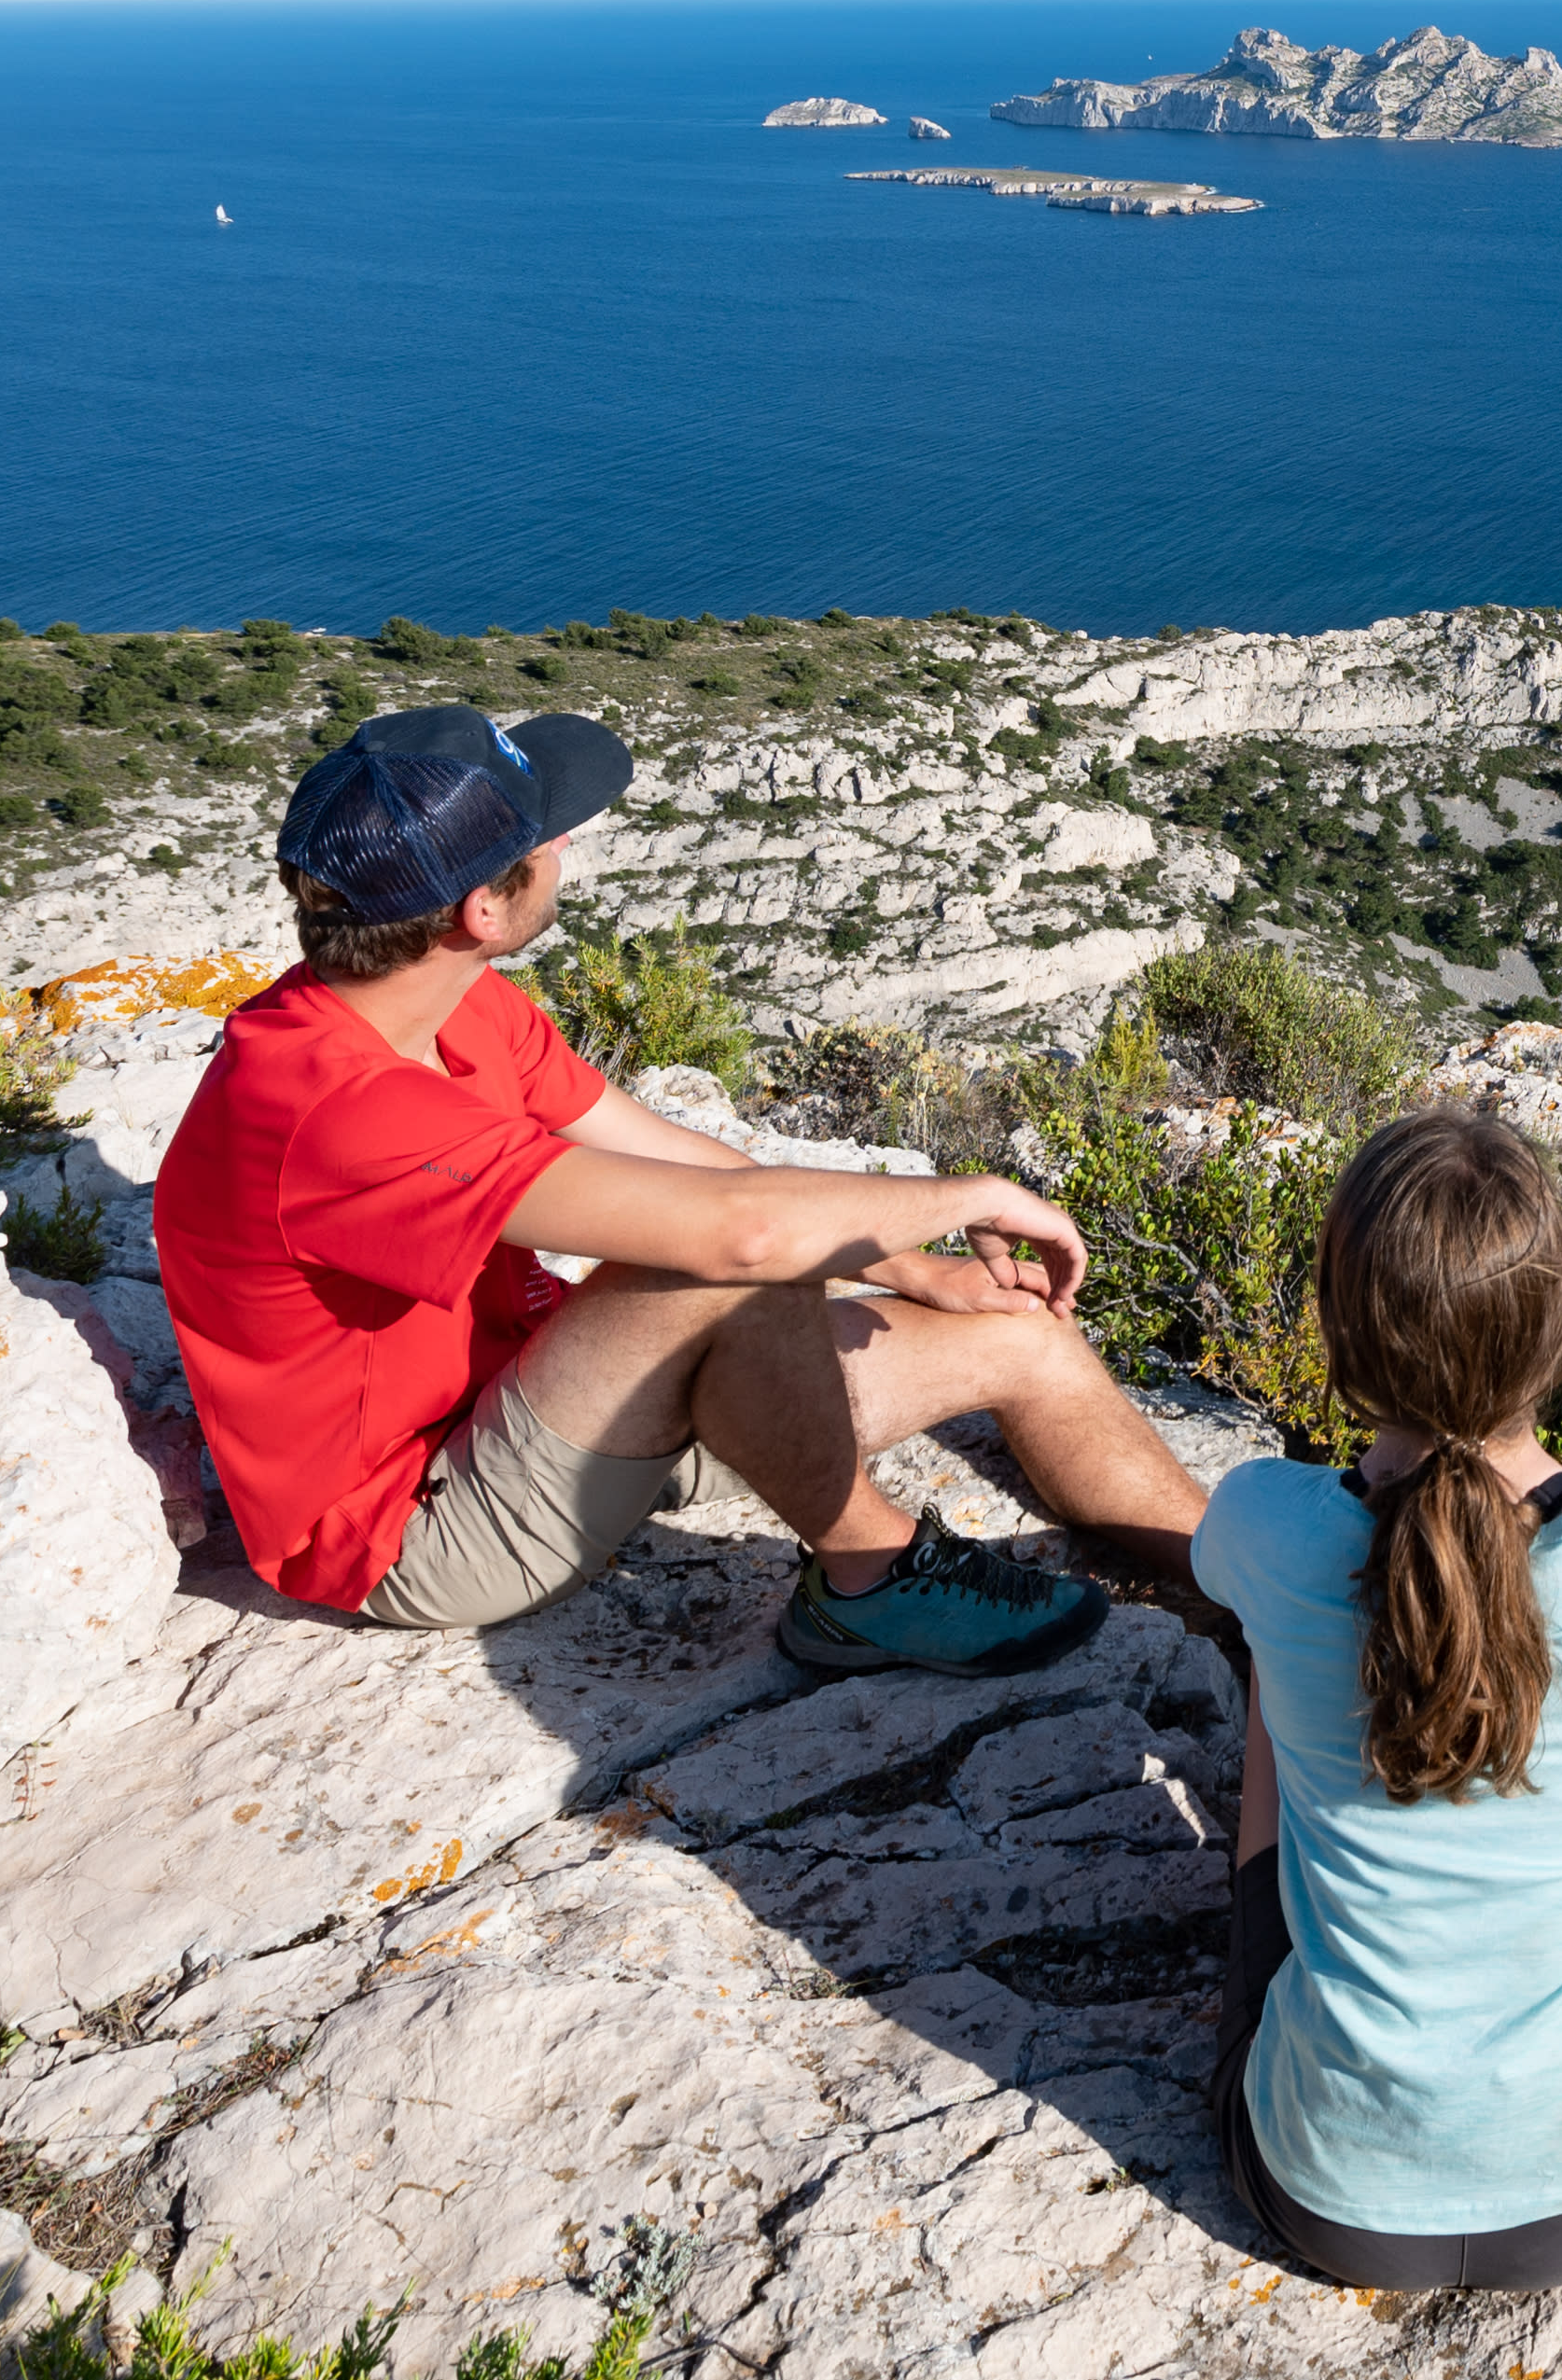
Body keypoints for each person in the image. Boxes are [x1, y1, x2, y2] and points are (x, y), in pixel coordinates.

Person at [152, 701, 1202, 1670]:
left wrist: (920, 1270)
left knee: (1027, 1338)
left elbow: (688, 1161)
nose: (566, 847)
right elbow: (740, 1234)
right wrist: (972, 1195)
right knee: (729, 1265)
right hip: (416, 1528)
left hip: (556, 1408)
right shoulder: (324, 1108)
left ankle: (1244, 1590)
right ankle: (872, 1579)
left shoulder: (457, 1008)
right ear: (480, 907)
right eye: (544, 838)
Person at [1192, 1108, 1562, 2293]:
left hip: (1325, 2189)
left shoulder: (1264, 1520)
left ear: (1344, 1327)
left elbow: (1241, 1568)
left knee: (1281, 1646)